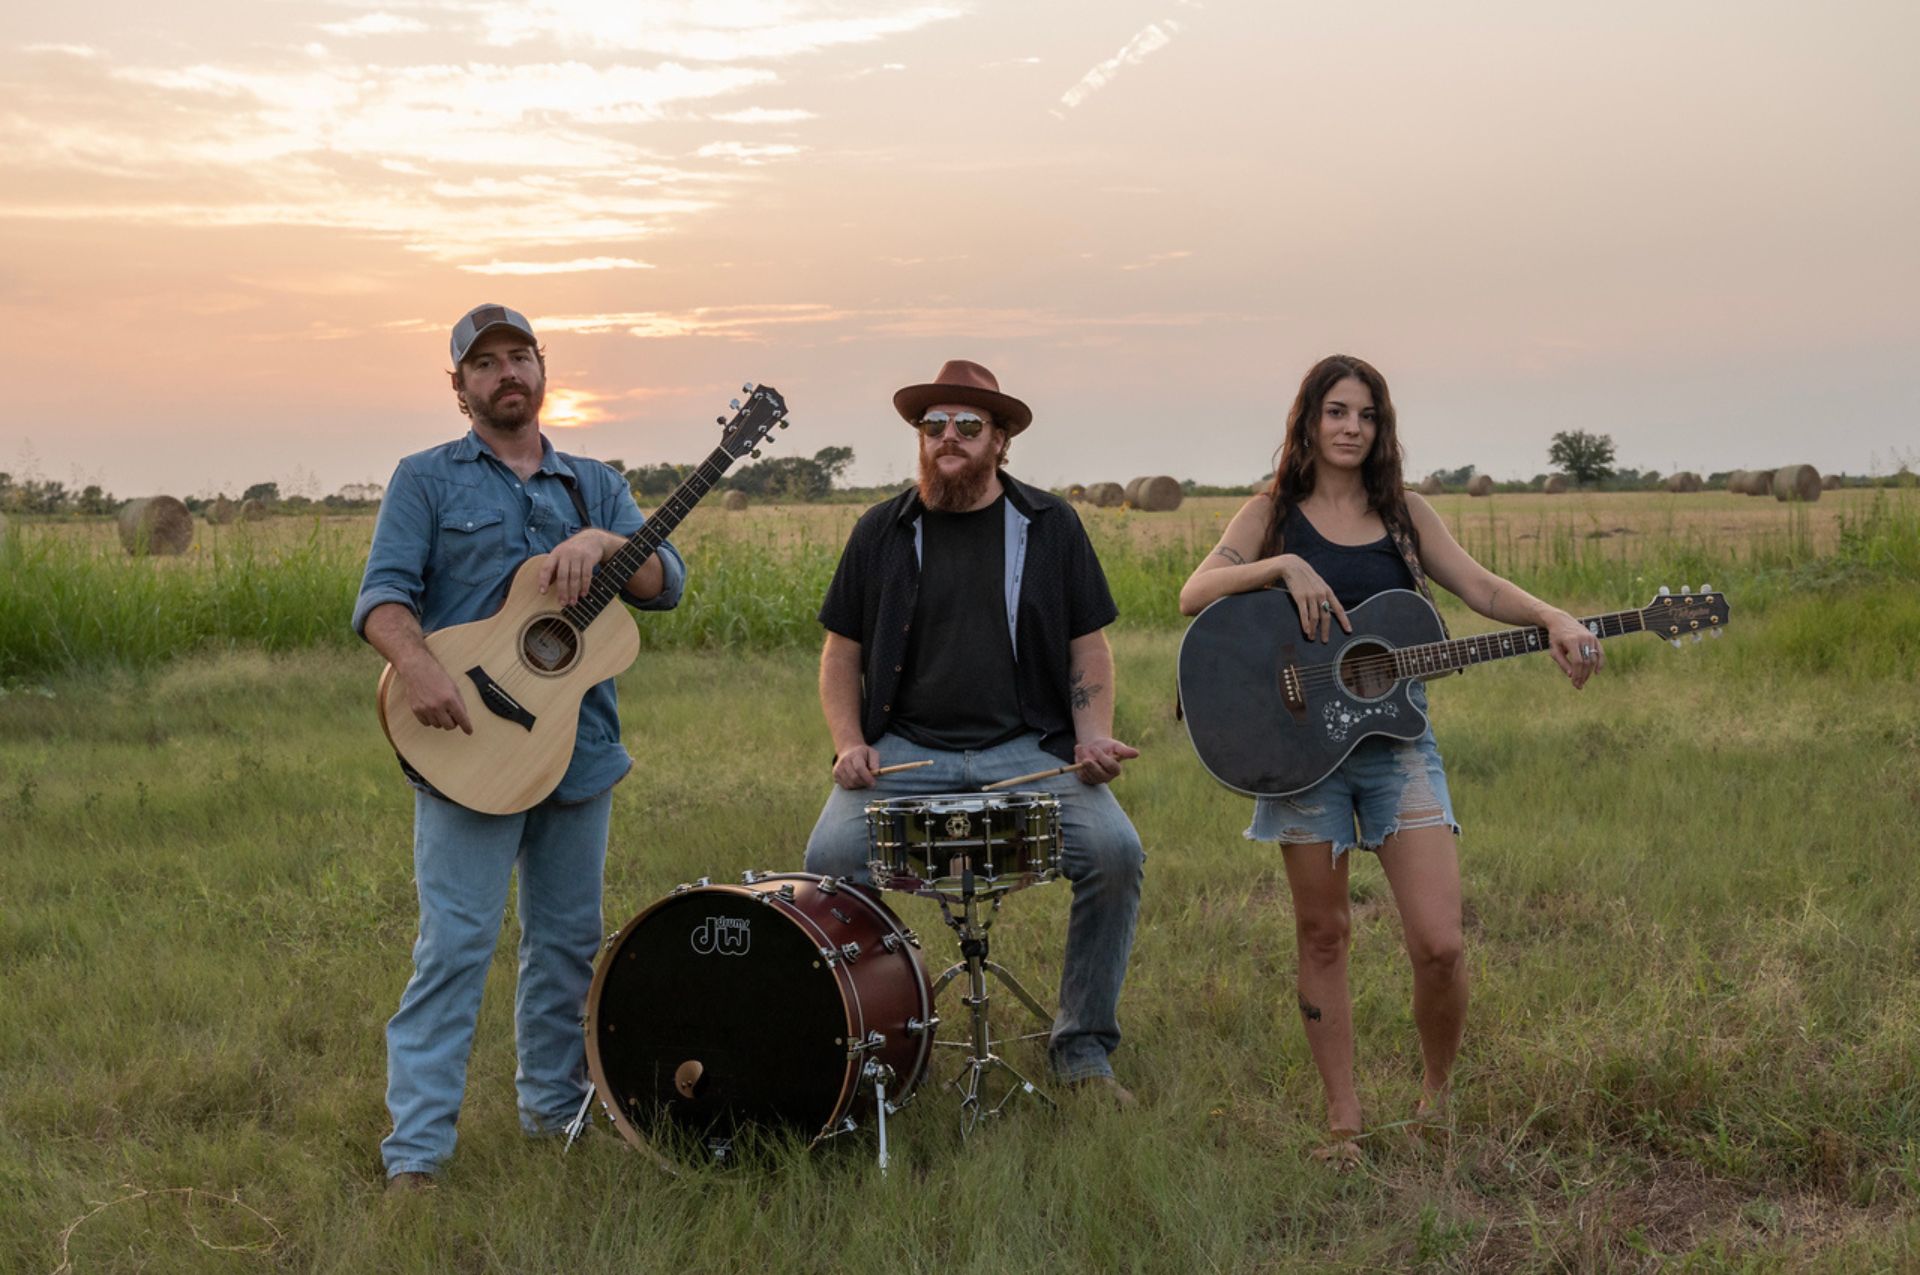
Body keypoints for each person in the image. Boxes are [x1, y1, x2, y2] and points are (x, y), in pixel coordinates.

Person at [1177, 353, 1603, 1168]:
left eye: (1366, 415)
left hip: (1398, 745)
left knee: (1440, 941)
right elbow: (1195, 593)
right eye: (1337, 412)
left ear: (1382, 427)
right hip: (1300, 749)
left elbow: (1480, 589)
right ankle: (1344, 1120)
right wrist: (1281, 564)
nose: (1351, 428)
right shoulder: (1271, 513)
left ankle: (1434, 1101)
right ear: (1308, 420)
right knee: (1324, 932)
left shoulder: (1403, 514)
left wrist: (1554, 617)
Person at [352, 303, 686, 1191]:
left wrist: (605, 539)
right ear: (459, 387)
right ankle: (416, 1156)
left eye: (520, 357)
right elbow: (383, 598)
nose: (506, 374)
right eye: (485, 363)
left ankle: (556, 1113)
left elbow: (666, 584)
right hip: (467, 745)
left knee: (569, 943)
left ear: (544, 370)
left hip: (578, 753)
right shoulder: (425, 480)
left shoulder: (594, 483)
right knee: (455, 944)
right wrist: (418, 667)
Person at [803, 360, 1145, 1103]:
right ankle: (876, 1045)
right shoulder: (882, 530)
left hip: (1027, 750)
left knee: (1116, 852)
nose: (946, 437)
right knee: (828, 860)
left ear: (1000, 439)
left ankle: (1082, 1047)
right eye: (932, 425)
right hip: (905, 753)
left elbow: (1089, 646)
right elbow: (842, 653)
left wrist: (1091, 736)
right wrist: (849, 743)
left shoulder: (1050, 526)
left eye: (965, 425)